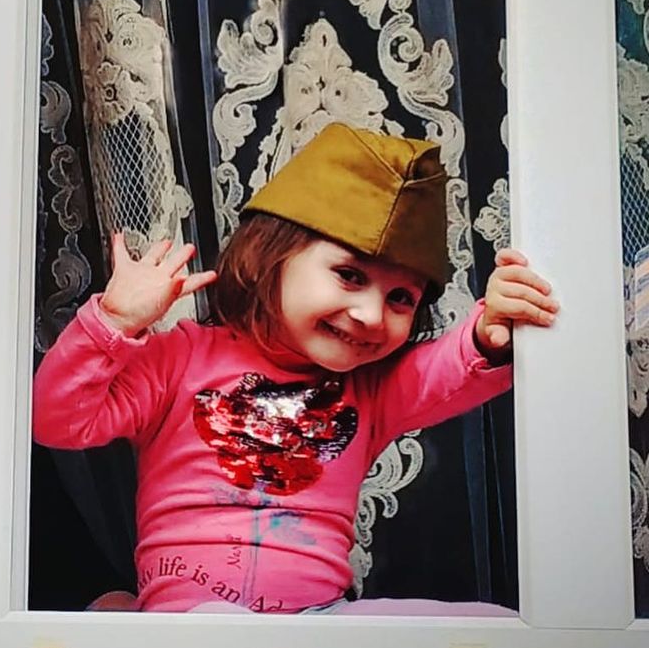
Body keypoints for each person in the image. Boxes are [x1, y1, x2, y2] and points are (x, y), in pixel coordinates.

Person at [32, 122, 558, 614]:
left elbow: (448, 368)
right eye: (350, 275)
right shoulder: (178, 358)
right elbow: (57, 421)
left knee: (487, 627)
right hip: (190, 629)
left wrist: (491, 331)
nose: (371, 315)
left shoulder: (371, 390)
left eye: (400, 298)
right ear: (269, 257)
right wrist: (113, 321)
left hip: (319, 629)